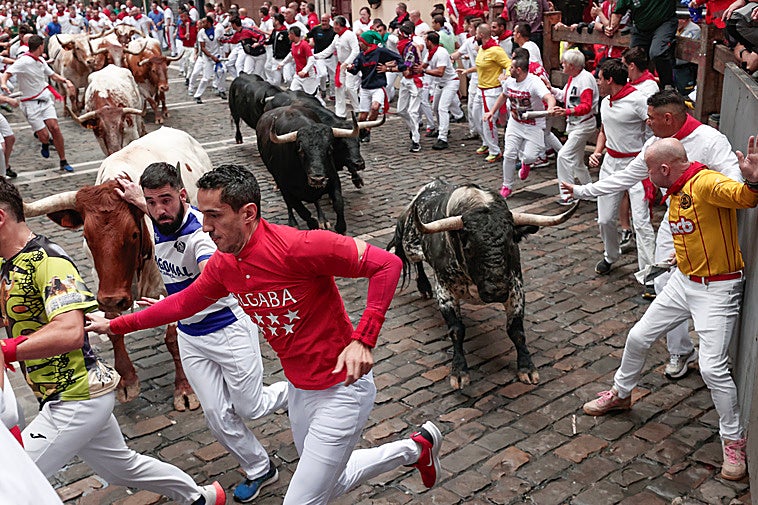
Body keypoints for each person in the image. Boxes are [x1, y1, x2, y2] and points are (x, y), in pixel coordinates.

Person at [85, 164, 444, 505]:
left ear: (248, 213)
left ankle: (413, 449)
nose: (205, 227)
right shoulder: (225, 265)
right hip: (301, 390)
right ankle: (415, 449)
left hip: (343, 389)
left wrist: (363, 339)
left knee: (301, 498)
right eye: (202, 214)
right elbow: (181, 306)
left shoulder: (301, 246)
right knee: (331, 481)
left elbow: (387, 264)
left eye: (215, 216)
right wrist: (115, 325)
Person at [0, 179, 225, 505]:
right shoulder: (8, 263)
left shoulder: (48, 262)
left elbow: (71, 331)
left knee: (15, 482)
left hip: (77, 396)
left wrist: (8, 349)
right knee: (124, 467)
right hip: (67, 394)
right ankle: (201, 495)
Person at [582, 134, 758, 482]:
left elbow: (743, 198)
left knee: (712, 369)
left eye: (649, 170)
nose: (646, 177)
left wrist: (752, 179)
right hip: (684, 281)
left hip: (717, 287)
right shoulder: (676, 188)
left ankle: (733, 440)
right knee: (638, 337)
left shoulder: (704, 182)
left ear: (664, 168)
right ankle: (621, 393)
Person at [114, 164, 289, 503]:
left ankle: (301, 388)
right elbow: (146, 205)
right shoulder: (156, 215)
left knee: (251, 408)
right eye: (152, 202)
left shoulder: (200, 237)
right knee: (216, 415)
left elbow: (214, 274)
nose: (159, 210)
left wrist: (169, 304)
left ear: (183, 195)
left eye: (166, 200)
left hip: (227, 329)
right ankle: (260, 468)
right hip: (191, 337)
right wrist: (136, 198)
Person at [562, 90, 743, 380]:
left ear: (668, 118)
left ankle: (714, 359)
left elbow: (734, 183)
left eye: (651, 118)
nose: (647, 123)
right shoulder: (654, 143)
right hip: (674, 226)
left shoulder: (710, 140)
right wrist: (584, 191)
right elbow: (626, 176)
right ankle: (680, 350)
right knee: (662, 284)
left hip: (708, 229)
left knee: (706, 290)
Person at [588, 58, 656, 290]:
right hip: (610, 163)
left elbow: (654, 128)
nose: (596, 82)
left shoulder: (637, 100)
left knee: (641, 221)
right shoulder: (605, 102)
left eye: (599, 78)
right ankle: (611, 255)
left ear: (609, 79)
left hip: (636, 164)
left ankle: (649, 274)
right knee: (605, 218)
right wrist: (598, 151)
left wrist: (648, 157)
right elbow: (604, 130)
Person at [483, 53, 556, 198]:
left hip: (534, 124)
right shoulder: (510, 81)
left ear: (519, 70)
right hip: (515, 123)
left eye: (511, 67)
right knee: (509, 154)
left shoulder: (534, 82)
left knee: (530, 156)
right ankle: (507, 185)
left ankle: (526, 163)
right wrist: (492, 111)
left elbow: (549, 97)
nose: (508, 70)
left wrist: (550, 108)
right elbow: (504, 95)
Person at [0, 35, 73, 173]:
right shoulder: (23, 61)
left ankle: (63, 160)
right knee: (44, 136)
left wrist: (65, 81)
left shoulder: (40, 61)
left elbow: (52, 75)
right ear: (40, 46)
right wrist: (3, 84)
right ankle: (44, 143)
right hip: (30, 104)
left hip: (45, 100)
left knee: (55, 128)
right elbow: (7, 73)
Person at [550, 49, 599, 204]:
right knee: (577, 162)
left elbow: (586, 105)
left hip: (583, 125)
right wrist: (549, 88)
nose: (562, 65)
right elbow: (564, 96)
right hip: (576, 124)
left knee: (564, 155)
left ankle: (567, 195)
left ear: (571, 65)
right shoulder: (574, 78)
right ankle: (590, 192)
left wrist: (567, 111)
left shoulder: (585, 80)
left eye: (564, 63)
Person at [604, 0, 676, 89]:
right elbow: (618, 12)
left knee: (657, 52)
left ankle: (668, 86)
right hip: (640, 27)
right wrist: (611, 27)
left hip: (663, 23)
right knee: (631, 57)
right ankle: (631, 86)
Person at [347, 33, 404, 143]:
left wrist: (387, 68)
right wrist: (351, 68)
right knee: (362, 117)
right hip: (365, 88)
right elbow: (355, 70)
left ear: (366, 43)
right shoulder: (360, 56)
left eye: (361, 41)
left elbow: (398, 58)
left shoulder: (380, 52)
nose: (359, 44)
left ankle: (368, 130)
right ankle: (361, 132)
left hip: (378, 87)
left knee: (375, 107)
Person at [471, 23, 511, 162]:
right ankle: (486, 142)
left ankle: (495, 150)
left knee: (488, 121)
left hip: (492, 91)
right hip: (480, 89)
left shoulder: (496, 50)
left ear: (481, 35)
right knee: (476, 117)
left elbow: (509, 64)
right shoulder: (482, 49)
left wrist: (506, 76)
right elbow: (479, 66)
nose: (474, 35)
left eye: (476, 33)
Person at [419, 31, 464, 151]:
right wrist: (415, 68)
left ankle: (443, 138)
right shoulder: (430, 53)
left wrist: (423, 71)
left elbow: (440, 72)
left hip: (451, 82)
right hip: (440, 83)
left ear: (429, 41)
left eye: (425, 40)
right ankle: (443, 129)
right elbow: (424, 65)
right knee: (435, 107)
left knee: (442, 108)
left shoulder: (441, 52)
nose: (424, 42)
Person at [189, 15, 226, 103]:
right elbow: (203, 47)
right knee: (206, 78)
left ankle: (221, 89)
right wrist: (211, 57)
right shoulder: (201, 32)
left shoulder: (218, 30)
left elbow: (221, 41)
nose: (201, 24)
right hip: (207, 58)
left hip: (217, 55)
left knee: (222, 71)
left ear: (209, 23)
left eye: (203, 22)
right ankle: (197, 95)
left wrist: (222, 42)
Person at [331, 15, 360, 119]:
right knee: (339, 88)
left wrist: (347, 62)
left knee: (349, 87)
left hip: (350, 65)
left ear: (339, 25)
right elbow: (330, 49)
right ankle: (340, 112)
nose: (333, 26)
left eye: (334, 24)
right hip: (341, 65)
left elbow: (355, 50)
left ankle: (357, 109)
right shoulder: (337, 36)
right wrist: (317, 56)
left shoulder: (350, 35)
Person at [279, 26, 320, 98]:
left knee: (313, 97)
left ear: (293, 34)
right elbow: (291, 55)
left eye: (289, 34)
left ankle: (322, 106)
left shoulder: (304, 45)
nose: (288, 36)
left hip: (308, 76)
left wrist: (304, 71)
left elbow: (311, 59)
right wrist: (282, 63)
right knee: (292, 93)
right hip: (298, 76)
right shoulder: (293, 44)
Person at [309, 13, 337, 98]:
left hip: (331, 57)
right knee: (323, 74)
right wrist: (310, 42)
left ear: (329, 21)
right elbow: (307, 36)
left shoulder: (333, 31)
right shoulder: (316, 29)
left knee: (333, 77)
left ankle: (333, 94)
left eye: (325, 21)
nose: (323, 23)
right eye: (322, 21)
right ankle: (323, 89)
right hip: (319, 57)